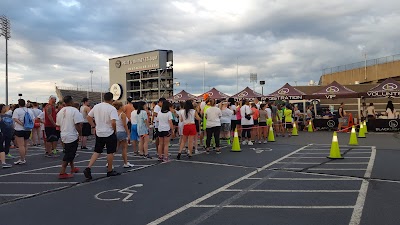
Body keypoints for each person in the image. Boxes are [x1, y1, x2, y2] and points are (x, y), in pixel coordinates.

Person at [83, 92, 120, 180]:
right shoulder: (112, 108)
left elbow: (88, 117)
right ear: (111, 99)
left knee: (97, 151)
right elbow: (113, 122)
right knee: (110, 152)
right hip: (109, 132)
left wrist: (93, 125)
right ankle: (110, 170)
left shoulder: (97, 106)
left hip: (99, 132)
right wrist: (114, 130)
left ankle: (88, 167)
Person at [56, 96, 83, 179]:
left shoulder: (61, 111)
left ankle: (72, 167)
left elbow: (58, 124)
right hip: (72, 135)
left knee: (69, 152)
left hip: (63, 134)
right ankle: (62, 172)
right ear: (71, 101)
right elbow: (77, 124)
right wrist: (80, 134)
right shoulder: (74, 111)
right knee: (69, 154)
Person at [12, 99, 35, 165]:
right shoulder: (29, 110)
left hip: (19, 129)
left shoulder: (17, 110)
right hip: (28, 129)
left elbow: (15, 119)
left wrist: (22, 124)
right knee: (25, 145)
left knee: (21, 145)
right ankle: (23, 158)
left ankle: (22, 159)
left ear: (18, 104)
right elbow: (33, 119)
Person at [113, 101, 134, 168]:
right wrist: (128, 134)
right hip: (122, 132)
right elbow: (125, 125)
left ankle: (109, 162)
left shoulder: (115, 113)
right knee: (124, 148)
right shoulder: (122, 114)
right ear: (120, 107)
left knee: (116, 148)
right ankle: (125, 163)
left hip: (117, 131)